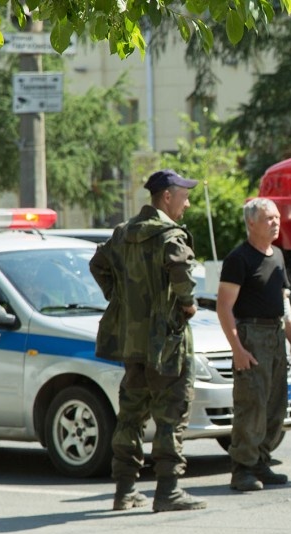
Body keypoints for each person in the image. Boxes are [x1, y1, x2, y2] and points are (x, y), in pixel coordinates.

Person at [90, 168, 207, 513]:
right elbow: (181, 271)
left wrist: (120, 298)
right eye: (183, 196)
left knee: (130, 415)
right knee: (172, 414)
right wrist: (186, 302)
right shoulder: (170, 235)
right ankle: (167, 491)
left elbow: (98, 264)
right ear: (167, 197)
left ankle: (124, 491)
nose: (186, 204)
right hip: (167, 342)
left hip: (133, 343)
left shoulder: (123, 233)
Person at [216, 198, 291, 491]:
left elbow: (285, 302)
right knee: (251, 405)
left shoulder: (278, 255)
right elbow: (224, 307)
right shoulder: (238, 259)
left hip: (275, 335)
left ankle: (260, 462)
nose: (276, 222)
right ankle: (242, 468)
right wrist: (237, 349)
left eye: (277, 217)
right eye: (269, 218)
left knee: (275, 405)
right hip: (250, 336)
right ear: (251, 223)